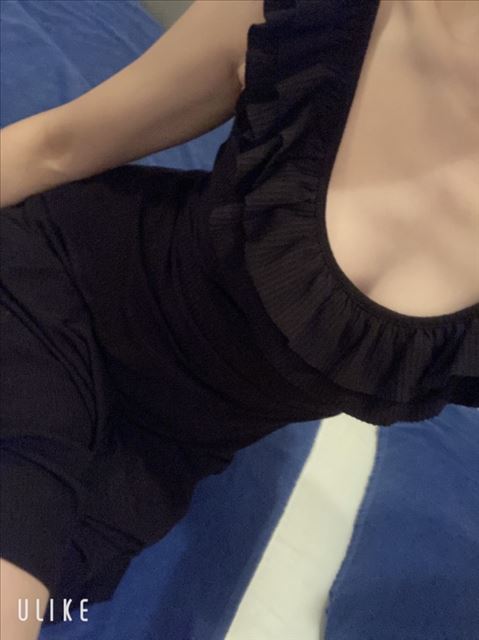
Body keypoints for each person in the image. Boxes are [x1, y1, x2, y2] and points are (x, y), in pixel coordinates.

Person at [1, 0, 478, 638]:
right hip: (65, 301)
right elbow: (56, 147)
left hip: (159, 457)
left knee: (49, 599)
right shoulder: (318, 13)